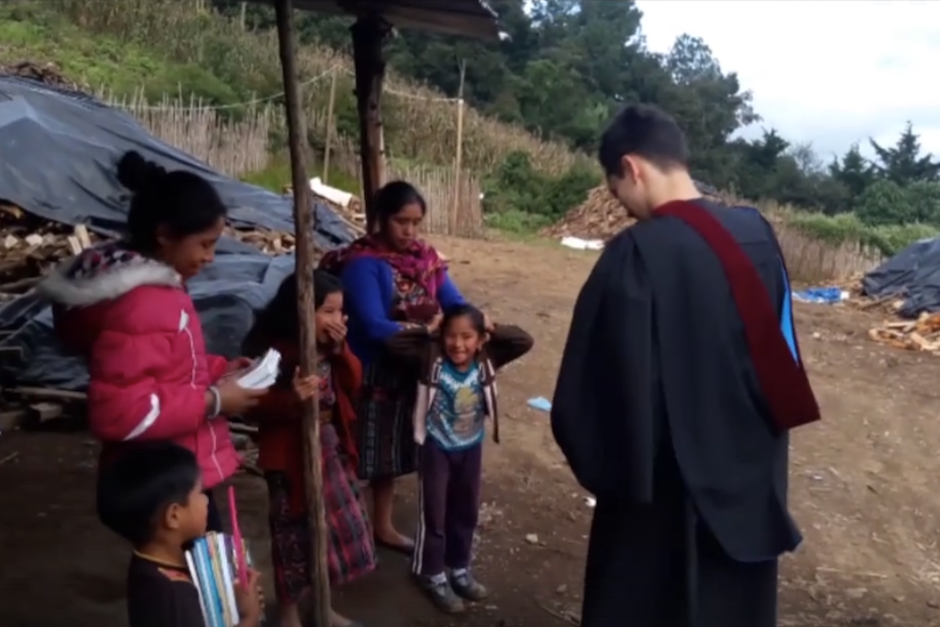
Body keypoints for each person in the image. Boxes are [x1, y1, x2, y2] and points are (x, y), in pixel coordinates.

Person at [550, 104, 821, 627]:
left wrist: (611, 474)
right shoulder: (757, 235)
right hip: (748, 477)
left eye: (618, 195)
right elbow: (781, 353)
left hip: (663, 498)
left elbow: (591, 393)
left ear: (631, 168)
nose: (627, 211)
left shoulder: (635, 255)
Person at [38, 150, 267, 532]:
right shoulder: (144, 304)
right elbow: (121, 412)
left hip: (172, 473)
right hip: (165, 485)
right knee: (194, 567)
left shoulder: (159, 292)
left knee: (204, 562)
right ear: (164, 236)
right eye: (205, 244)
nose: (211, 258)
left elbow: (166, 367)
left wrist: (219, 370)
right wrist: (214, 401)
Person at [319, 181, 479, 555]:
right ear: (381, 219)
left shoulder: (425, 259)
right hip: (369, 370)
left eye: (416, 223)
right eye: (401, 222)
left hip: (406, 368)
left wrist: (474, 320)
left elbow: (453, 301)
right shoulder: (364, 264)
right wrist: (426, 330)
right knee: (359, 450)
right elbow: (373, 326)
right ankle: (342, 529)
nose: (409, 231)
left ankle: (382, 525)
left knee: (389, 452)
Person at [242, 270, 376, 627]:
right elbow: (253, 405)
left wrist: (341, 349)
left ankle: (322, 605)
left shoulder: (330, 349)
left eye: (340, 312)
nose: (337, 320)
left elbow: (354, 382)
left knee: (326, 532)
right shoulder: (277, 353)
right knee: (292, 536)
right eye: (327, 311)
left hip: (329, 448)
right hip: (289, 459)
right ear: (301, 309)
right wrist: (291, 399)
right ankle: (288, 614)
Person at [384, 304, 533, 613]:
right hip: (436, 448)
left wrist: (492, 326)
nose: (458, 344)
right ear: (442, 336)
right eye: (451, 335)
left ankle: (459, 568)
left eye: (467, 336)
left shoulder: (487, 357)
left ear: (480, 340)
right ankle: (431, 572)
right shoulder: (431, 356)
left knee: (465, 510)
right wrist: (428, 329)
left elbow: (523, 341)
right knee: (434, 513)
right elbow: (393, 344)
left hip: (470, 446)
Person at [97, 441, 263, 627]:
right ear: (174, 516)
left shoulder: (145, 565)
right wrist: (250, 616)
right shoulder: (177, 595)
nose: (206, 501)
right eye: (201, 493)